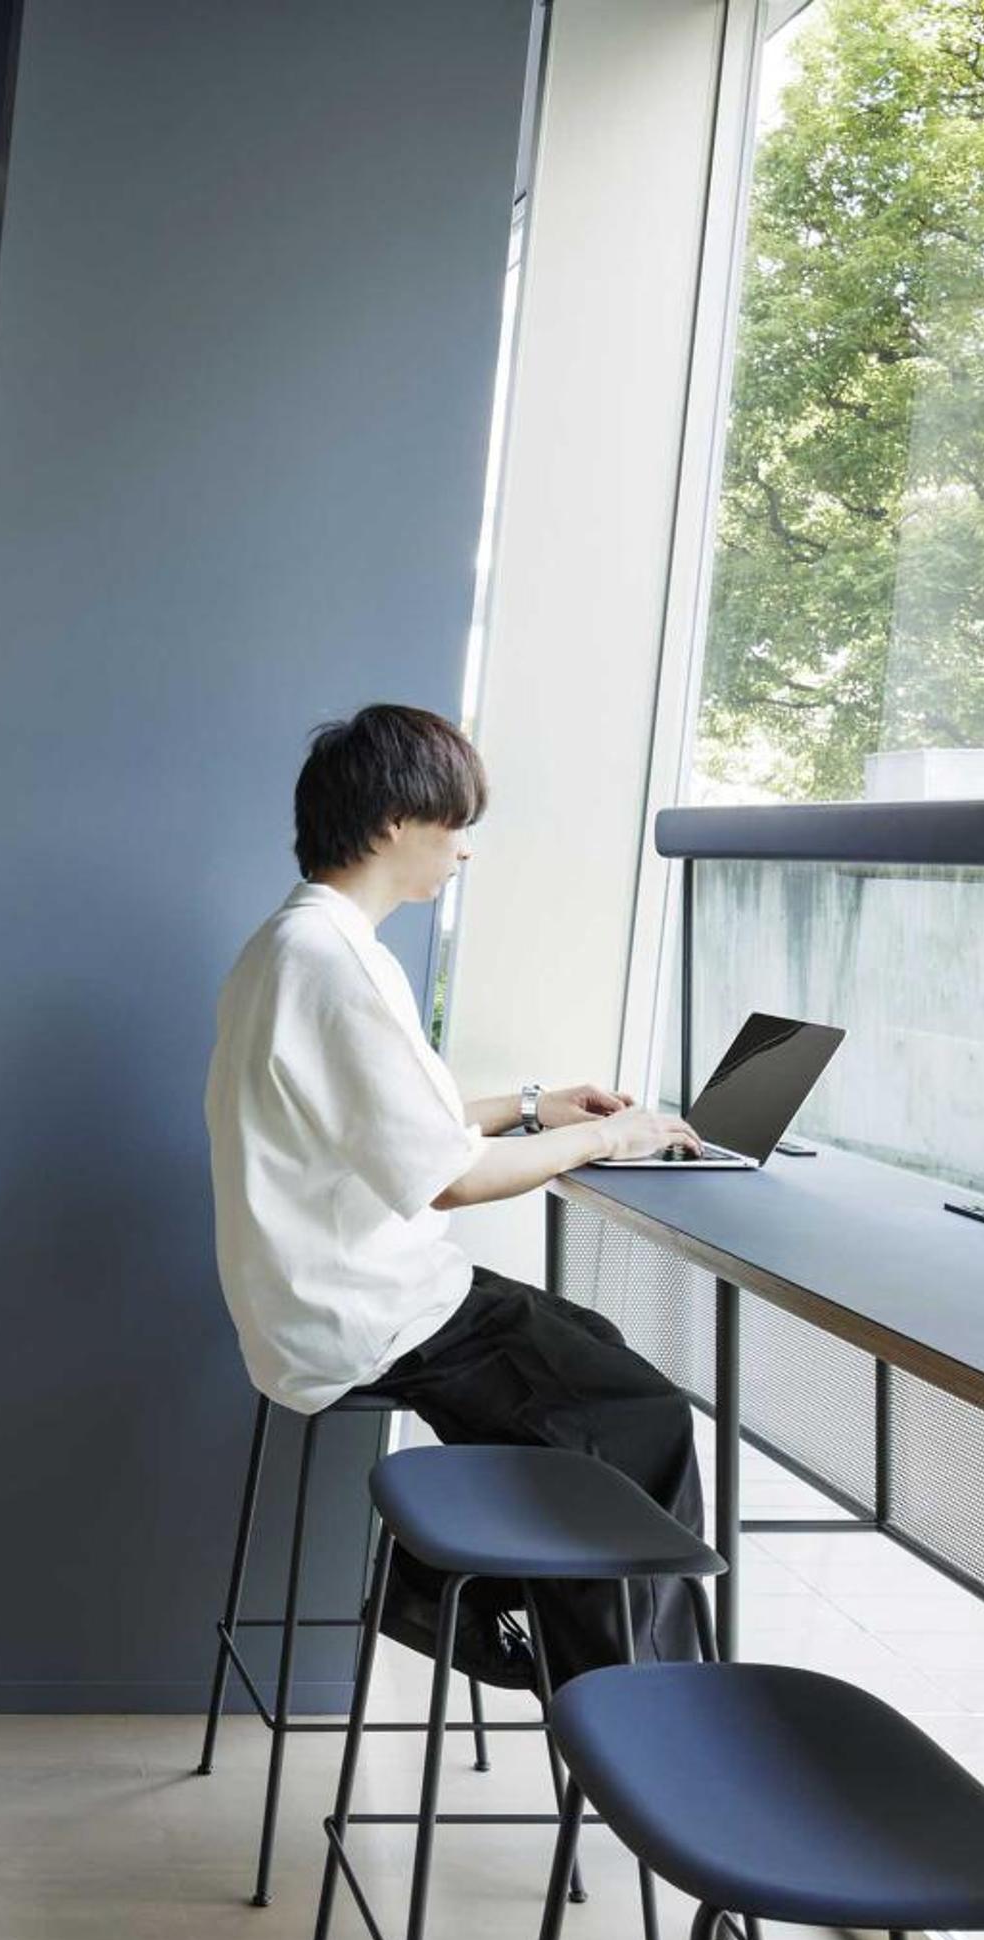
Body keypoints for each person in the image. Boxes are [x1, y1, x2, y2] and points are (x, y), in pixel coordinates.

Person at [204, 702, 707, 1686]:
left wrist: (534, 1106)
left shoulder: (289, 944)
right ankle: (633, 1691)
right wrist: (612, 1134)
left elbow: (380, 1125)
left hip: (326, 1295)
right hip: (363, 1309)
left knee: (591, 1350)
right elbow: (451, 1179)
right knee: (642, 1415)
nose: (464, 850)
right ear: (396, 821)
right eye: (456, 824)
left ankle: (443, 1587)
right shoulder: (338, 964)